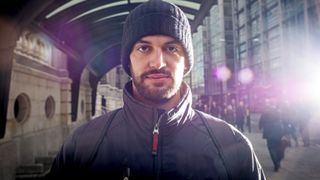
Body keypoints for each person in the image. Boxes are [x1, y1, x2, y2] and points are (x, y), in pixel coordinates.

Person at [48, 1, 265, 179]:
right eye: (144, 48)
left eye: (171, 48)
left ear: (186, 64)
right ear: (128, 61)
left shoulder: (233, 147)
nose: (158, 62)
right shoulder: (84, 146)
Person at [259, 99, 285, 172]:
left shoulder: (265, 112)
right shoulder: (278, 111)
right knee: (278, 147)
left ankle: (276, 163)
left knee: (271, 148)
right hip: (278, 131)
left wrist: (260, 126)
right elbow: (282, 121)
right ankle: (279, 161)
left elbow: (261, 121)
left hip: (269, 132)